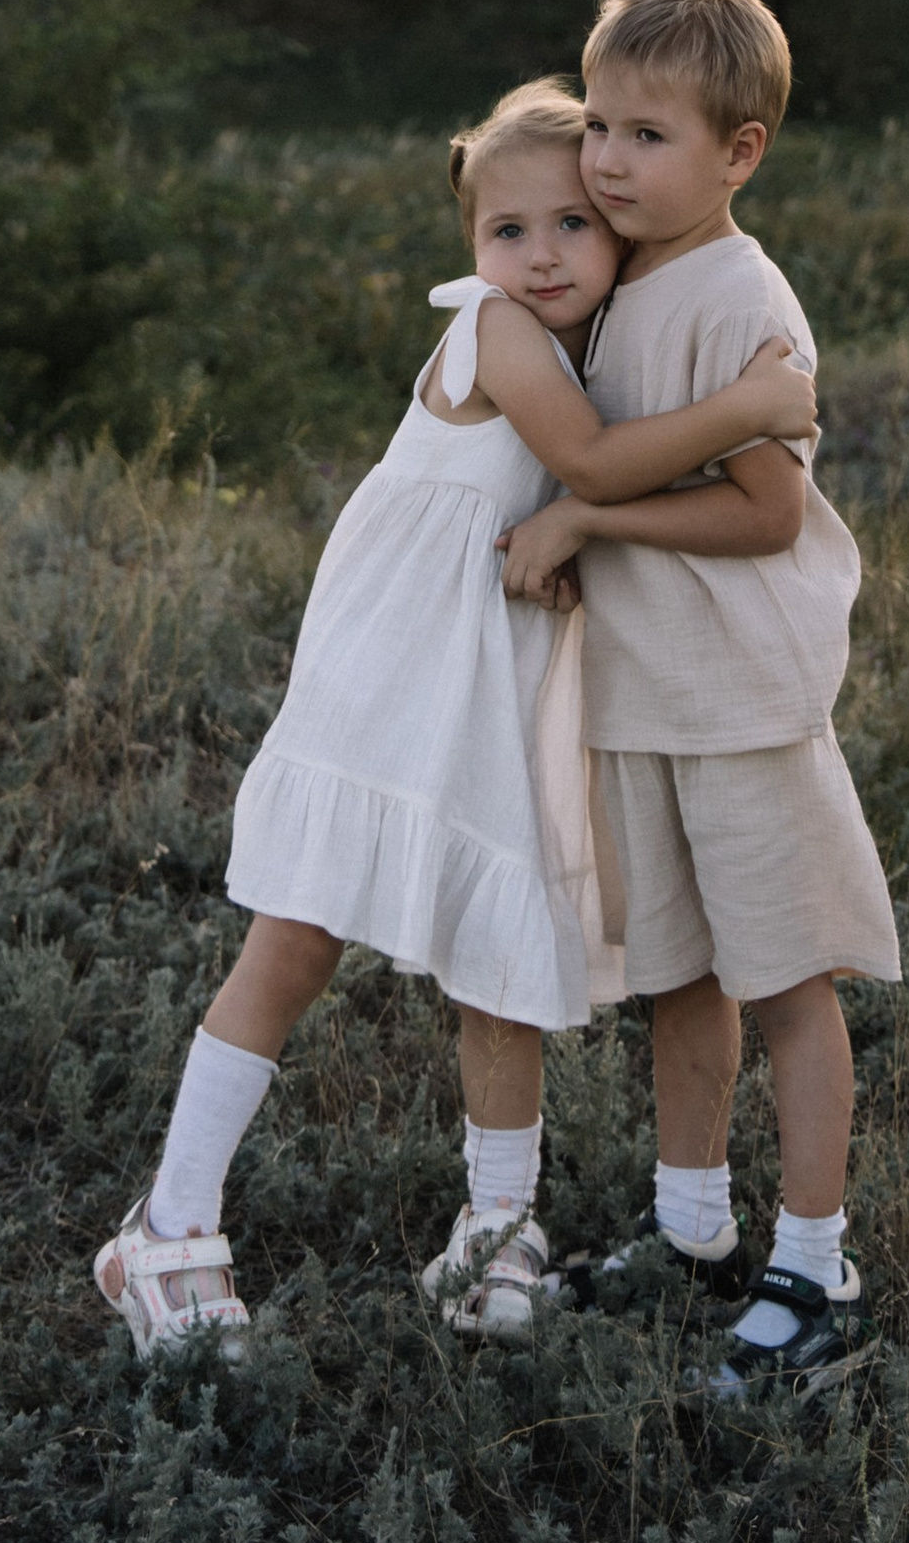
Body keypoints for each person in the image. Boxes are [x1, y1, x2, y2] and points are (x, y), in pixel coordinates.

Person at [92, 84, 822, 1361]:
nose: (539, 254)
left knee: (500, 952)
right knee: (298, 934)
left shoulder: (601, 339)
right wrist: (755, 410)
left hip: (490, 682)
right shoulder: (497, 332)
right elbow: (595, 469)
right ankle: (165, 1222)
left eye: (569, 226)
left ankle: (494, 1231)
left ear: (618, 233)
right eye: (504, 230)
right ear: (470, 249)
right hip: (398, 670)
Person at [498, 0, 901, 1396]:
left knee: (786, 981)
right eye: (598, 123)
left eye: (645, 136)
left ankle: (817, 1262)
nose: (605, 158)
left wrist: (594, 514)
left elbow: (767, 513)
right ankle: (691, 1231)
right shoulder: (614, 278)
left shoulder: (740, 296)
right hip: (641, 695)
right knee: (679, 977)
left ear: (740, 152)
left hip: (739, 697)